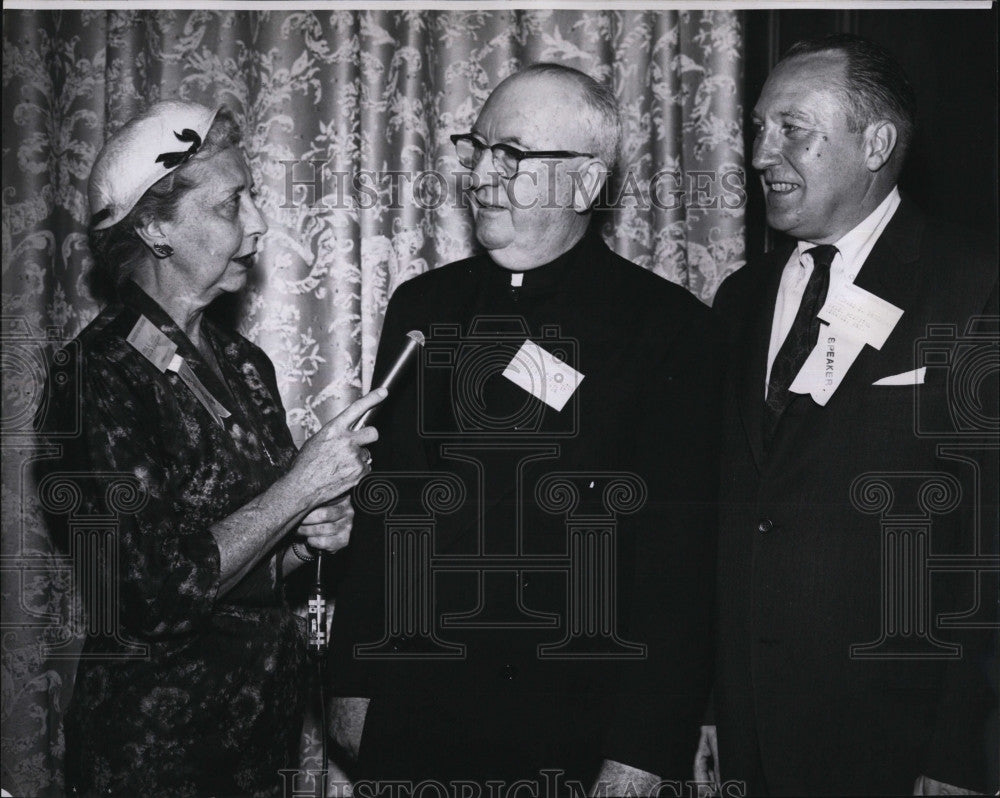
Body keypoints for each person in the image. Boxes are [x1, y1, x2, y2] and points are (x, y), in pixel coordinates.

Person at [327, 63, 722, 795]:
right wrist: (351, 684)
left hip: (573, 726)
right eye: (475, 148)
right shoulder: (423, 307)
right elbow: (386, 516)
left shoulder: (668, 332)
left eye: (510, 154)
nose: (480, 174)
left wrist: (640, 754)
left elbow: (678, 573)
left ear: (586, 183)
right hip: (415, 714)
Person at [35, 100, 385, 797]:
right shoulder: (94, 377)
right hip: (154, 760)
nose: (257, 222)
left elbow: (247, 570)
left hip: (258, 744)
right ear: (157, 227)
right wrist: (300, 488)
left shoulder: (244, 362)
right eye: (232, 204)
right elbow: (155, 593)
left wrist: (306, 538)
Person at [698, 34, 998, 796]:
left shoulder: (973, 289)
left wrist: (963, 752)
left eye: (792, 129)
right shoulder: (740, 299)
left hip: (901, 744)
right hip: (749, 739)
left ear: (878, 144)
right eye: (758, 129)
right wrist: (703, 711)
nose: (762, 154)